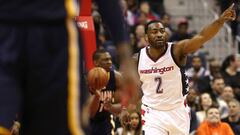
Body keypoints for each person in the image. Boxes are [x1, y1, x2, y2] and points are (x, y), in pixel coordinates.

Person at [136, 3, 236, 135]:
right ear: (146, 38)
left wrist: (219, 21)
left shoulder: (177, 50)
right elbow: (128, 85)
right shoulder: (137, 58)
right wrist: (126, 107)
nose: (160, 34)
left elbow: (201, 38)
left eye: (162, 31)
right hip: (152, 112)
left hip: (177, 111)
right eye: (154, 32)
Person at [89, 49, 123, 135]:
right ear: (96, 62)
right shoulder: (88, 79)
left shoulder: (116, 77)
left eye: (110, 59)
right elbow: (91, 113)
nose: (109, 62)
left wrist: (111, 107)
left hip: (105, 120)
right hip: (88, 121)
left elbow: (121, 106)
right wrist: (97, 96)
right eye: (105, 60)